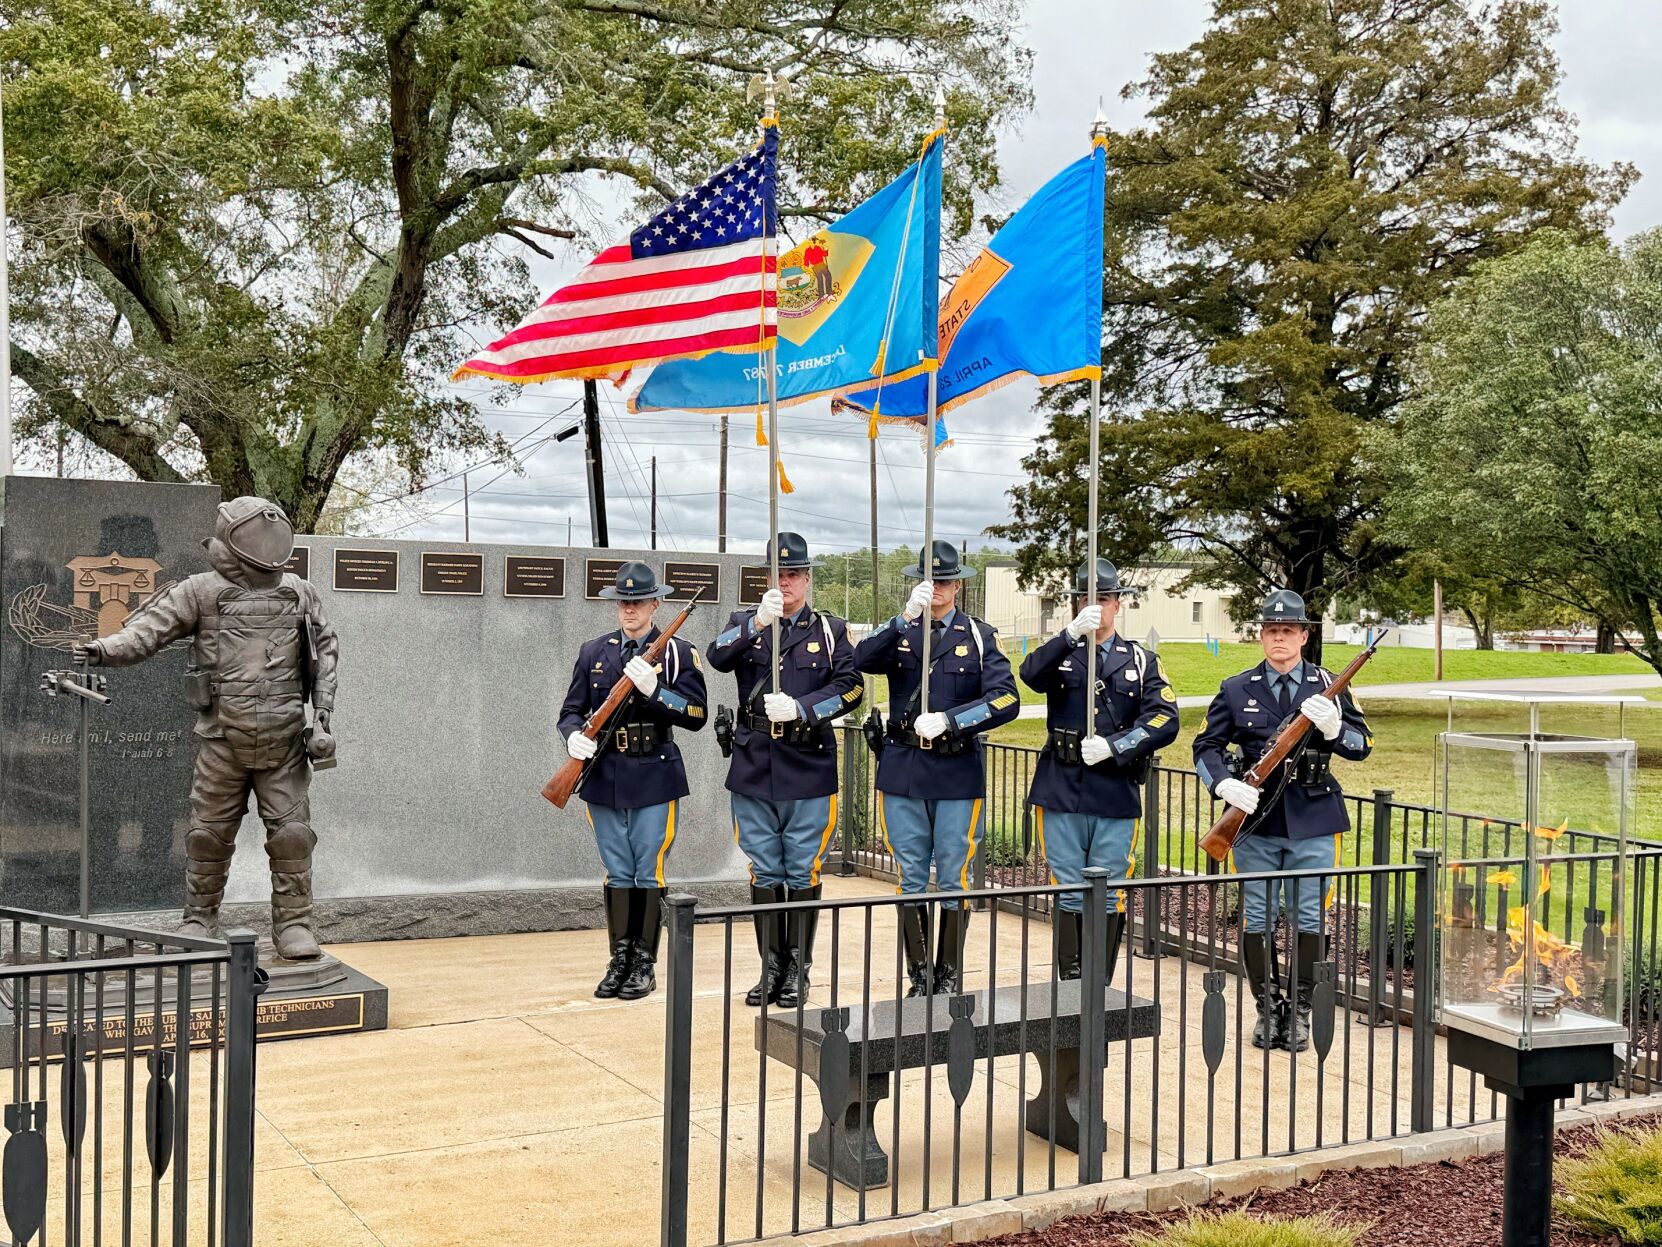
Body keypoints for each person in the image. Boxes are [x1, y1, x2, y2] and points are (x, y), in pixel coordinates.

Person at [75, 497, 339, 960]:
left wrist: (323, 714)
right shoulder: (198, 591)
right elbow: (147, 632)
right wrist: (103, 650)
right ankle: (200, 916)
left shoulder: (299, 591)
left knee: (292, 835)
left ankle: (295, 924)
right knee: (207, 834)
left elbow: (324, 652)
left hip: (284, 742)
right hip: (222, 740)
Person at [1192, 589, 1372, 1052]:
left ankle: (1300, 1010)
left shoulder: (1329, 685)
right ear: (1260, 636)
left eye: (1288, 631)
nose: (1279, 639)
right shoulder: (1236, 688)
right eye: (1271, 631)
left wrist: (1334, 729)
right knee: (1258, 917)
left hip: (1313, 819)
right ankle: (1266, 1009)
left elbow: (1362, 745)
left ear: (1304, 636)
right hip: (1254, 824)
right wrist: (1222, 786)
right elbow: (1205, 747)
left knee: (1309, 917)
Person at [853, 540, 1020, 997]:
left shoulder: (981, 636)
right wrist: (903, 618)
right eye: (931, 580)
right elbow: (861, 660)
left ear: (959, 584)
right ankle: (918, 973)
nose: (939, 588)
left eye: (946, 580)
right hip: (904, 767)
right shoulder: (902, 630)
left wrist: (951, 720)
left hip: (955, 770)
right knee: (909, 876)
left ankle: (946, 976)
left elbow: (1006, 699)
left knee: (953, 877)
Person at [706, 533, 862, 1008]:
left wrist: (802, 708)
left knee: (802, 867)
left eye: (794, 573)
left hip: (808, 763)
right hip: (754, 763)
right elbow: (716, 655)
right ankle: (769, 967)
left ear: (808, 579)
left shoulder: (830, 630)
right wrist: (757, 622)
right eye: (777, 573)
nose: (786, 581)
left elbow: (851, 688)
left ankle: (798, 969)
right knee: (765, 869)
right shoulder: (745, 623)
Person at [1019, 558, 1178, 983]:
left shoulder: (1141, 661)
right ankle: (1071, 985)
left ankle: (1099, 986)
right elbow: (1029, 675)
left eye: (1103, 599)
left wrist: (1115, 745)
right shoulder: (1062, 651)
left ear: (1118, 604)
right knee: (1067, 888)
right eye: (1085, 599)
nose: (1096, 607)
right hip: (1061, 787)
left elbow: (1165, 719)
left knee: (1109, 892)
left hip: (1113, 790)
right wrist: (1069, 635)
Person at [559, 561, 708, 1002]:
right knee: (617, 871)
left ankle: (644, 962)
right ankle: (619, 958)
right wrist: (572, 739)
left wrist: (656, 692)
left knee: (647, 869)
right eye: (622, 601)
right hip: (603, 772)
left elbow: (696, 715)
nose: (628, 609)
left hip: (653, 774)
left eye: (637, 601)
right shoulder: (594, 651)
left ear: (655, 604)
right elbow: (571, 710)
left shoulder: (678, 652)